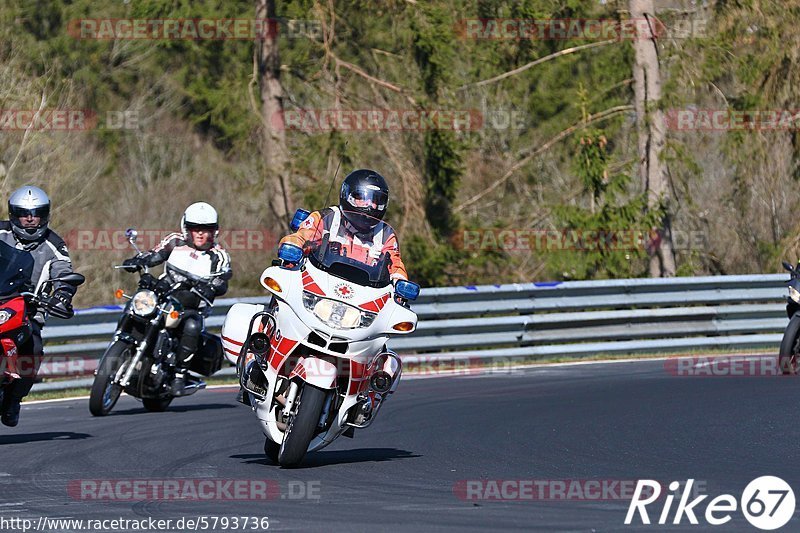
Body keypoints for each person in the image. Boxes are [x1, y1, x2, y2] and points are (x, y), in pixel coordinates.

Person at [122, 202, 232, 393]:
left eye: (205, 229)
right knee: (137, 303)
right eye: (195, 228)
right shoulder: (175, 241)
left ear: (214, 231)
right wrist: (138, 261)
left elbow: (223, 280)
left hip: (192, 305)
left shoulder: (218, 255)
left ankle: (180, 374)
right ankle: (123, 343)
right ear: (186, 228)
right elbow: (155, 255)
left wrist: (213, 287)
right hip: (164, 294)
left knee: (192, 326)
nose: (200, 234)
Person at [0, 185, 77, 426]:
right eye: (25, 213)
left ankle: (14, 399)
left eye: (37, 213)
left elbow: (64, 271)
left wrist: (63, 293)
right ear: (14, 214)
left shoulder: (54, 244)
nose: (31, 219)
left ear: (45, 215)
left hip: (28, 309)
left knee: (32, 349)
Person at [279, 168, 408, 282]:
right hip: (319, 285)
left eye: (376, 200)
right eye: (362, 198)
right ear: (347, 196)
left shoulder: (386, 234)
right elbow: (302, 237)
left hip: (364, 298)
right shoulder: (325, 218)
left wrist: (399, 280)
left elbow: (395, 265)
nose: (370, 206)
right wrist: (294, 245)